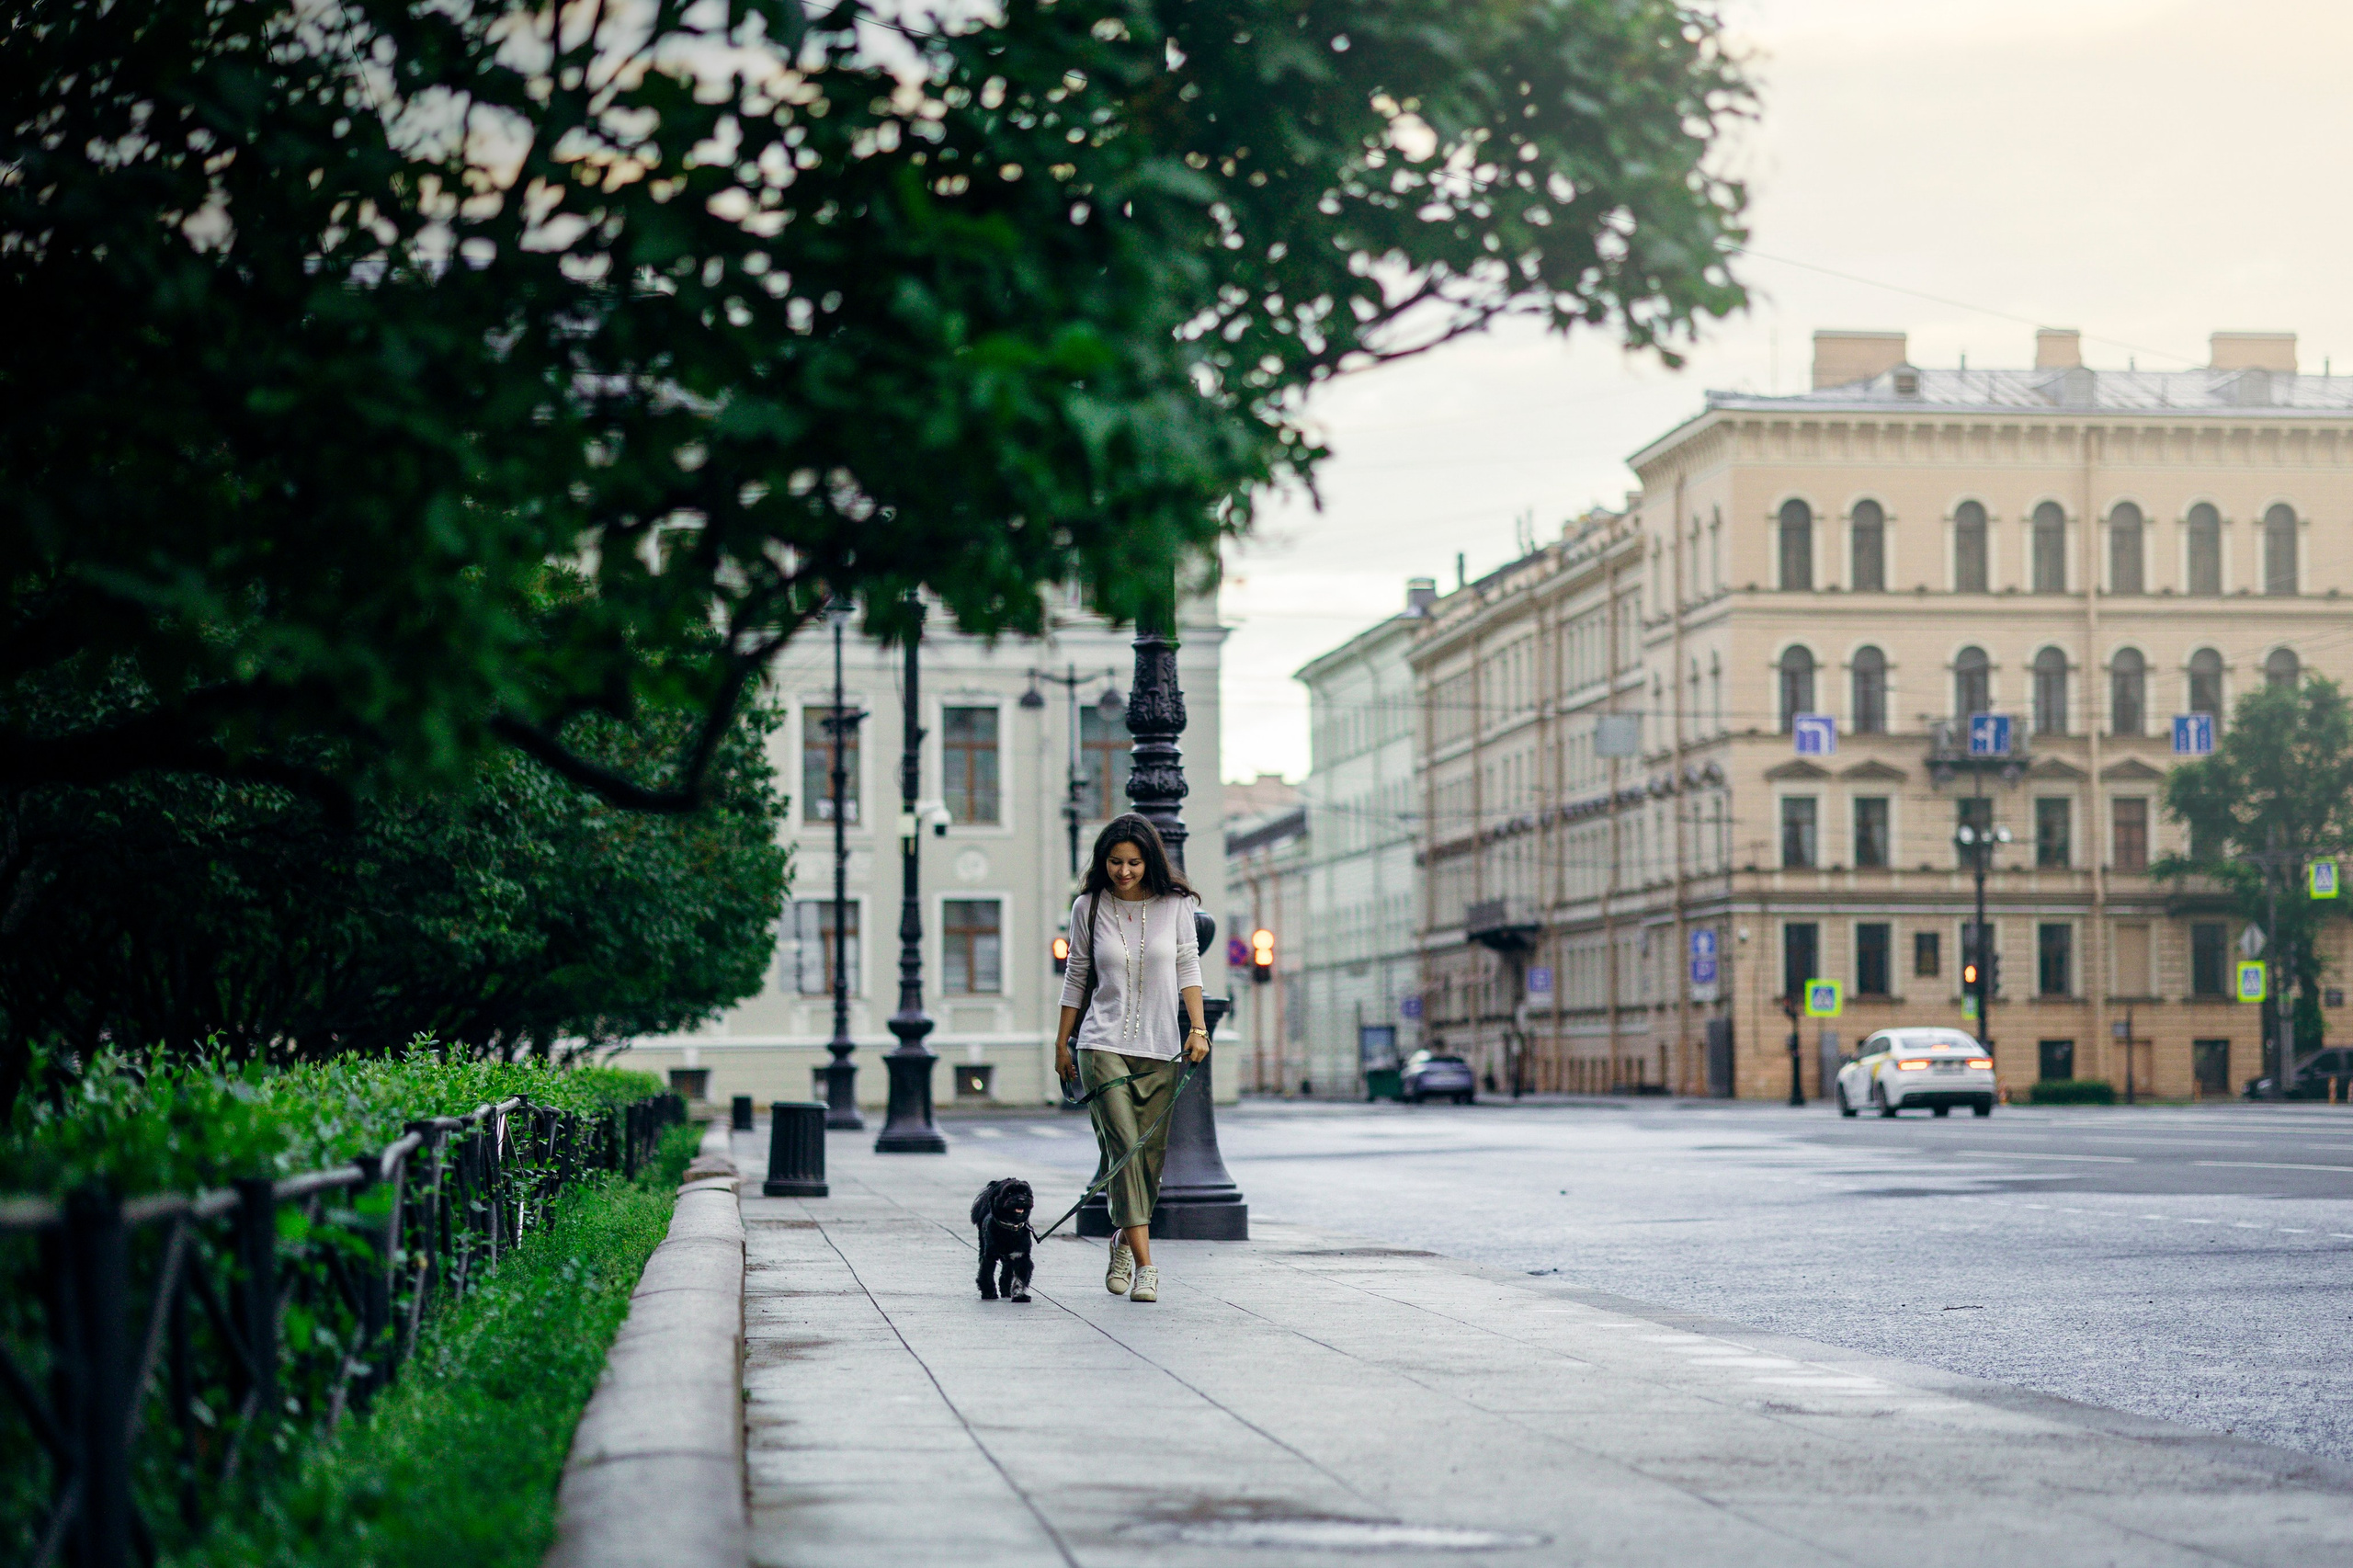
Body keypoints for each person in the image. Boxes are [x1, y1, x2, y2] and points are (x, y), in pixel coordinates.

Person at [1052, 813, 1209, 1303]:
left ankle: (1121, 1238)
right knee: (1125, 1148)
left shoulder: (1176, 905)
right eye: (1115, 862)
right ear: (1103, 862)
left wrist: (1198, 1027)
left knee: (1147, 1160)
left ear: (1150, 861)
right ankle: (1146, 1265)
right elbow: (1077, 973)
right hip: (1101, 1043)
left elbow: (1188, 964)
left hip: (1161, 1047)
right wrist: (1062, 1042)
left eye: (1134, 862)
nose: (1124, 871)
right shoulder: (1088, 905)